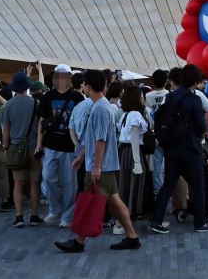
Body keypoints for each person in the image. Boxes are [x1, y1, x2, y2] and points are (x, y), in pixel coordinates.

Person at [54, 69, 141, 252]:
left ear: (88, 86)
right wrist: (82, 157)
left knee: (91, 200)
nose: (83, 87)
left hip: (101, 166)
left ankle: (79, 241)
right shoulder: (101, 106)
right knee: (112, 201)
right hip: (103, 164)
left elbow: (100, 140)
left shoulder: (100, 108)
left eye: (84, 84)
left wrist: (95, 166)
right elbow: (94, 139)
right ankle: (131, 237)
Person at [149, 64, 208, 234]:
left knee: (168, 185)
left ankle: (157, 221)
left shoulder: (170, 97)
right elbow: (201, 127)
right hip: (191, 148)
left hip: (172, 148)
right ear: (195, 81)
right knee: (198, 184)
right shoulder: (194, 99)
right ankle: (200, 223)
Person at [37, 63, 84, 228]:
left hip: (70, 146)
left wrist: (81, 146)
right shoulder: (47, 97)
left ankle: (67, 215)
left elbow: (82, 124)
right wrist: (39, 144)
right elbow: (42, 122)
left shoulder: (78, 98)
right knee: (48, 177)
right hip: (50, 145)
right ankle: (55, 209)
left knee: (70, 182)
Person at [1, 71, 43, 228]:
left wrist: (6, 146)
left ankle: (19, 216)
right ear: (27, 87)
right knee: (34, 183)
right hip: (33, 147)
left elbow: (6, 129)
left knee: (18, 183)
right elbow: (40, 126)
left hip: (16, 147)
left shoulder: (9, 105)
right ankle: (34, 215)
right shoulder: (35, 104)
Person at [115, 84, 148, 232]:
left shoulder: (125, 114)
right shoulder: (135, 115)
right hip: (132, 153)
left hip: (124, 152)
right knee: (130, 186)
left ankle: (120, 221)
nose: (143, 98)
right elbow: (134, 138)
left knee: (124, 185)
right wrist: (137, 162)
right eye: (141, 96)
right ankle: (121, 223)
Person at [144, 70, 169, 194]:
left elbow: (147, 113)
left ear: (153, 81)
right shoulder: (169, 94)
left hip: (154, 132)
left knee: (157, 163)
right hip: (168, 132)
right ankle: (168, 188)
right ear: (166, 81)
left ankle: (157, 189)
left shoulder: (148, 96)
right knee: (169, 161)